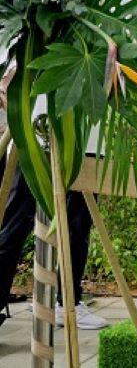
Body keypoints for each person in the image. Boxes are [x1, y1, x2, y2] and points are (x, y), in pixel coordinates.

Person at [0, 69, 107, 331]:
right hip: (34, 136)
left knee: (77, 228)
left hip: (88, 139)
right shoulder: (35, 30)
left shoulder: (110, 37)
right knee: (15, 225)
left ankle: (67, 303)